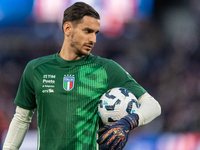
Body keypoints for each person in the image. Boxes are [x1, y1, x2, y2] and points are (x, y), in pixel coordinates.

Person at [3, 2, 161, 150]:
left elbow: (153, 105)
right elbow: (21, 119)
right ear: (67, 29)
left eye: (95, 33)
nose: (93, 39)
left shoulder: (106, 68)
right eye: (87, 31)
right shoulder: (36, 68)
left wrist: (128, 121)